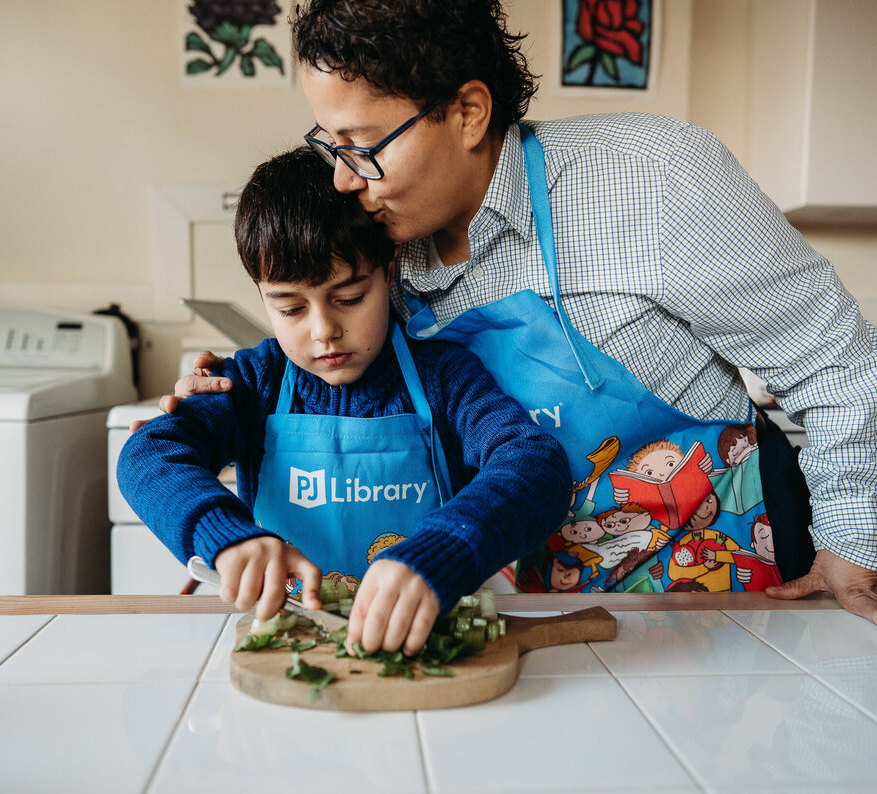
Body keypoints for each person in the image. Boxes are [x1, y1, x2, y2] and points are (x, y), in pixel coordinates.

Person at [159, 0, 877, 646]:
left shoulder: (651, 180)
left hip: (727, 569)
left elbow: (828, 357)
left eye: (363, 145)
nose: (343, 178)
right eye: (328, 144)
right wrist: (227, 384)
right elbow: (321, 330)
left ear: (469, 112)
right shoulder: (381, 234)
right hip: (532, 595)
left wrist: (856, 540)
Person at [118, 146, 570, 656]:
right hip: (292, 647)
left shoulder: (445, 376)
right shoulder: (252, 382)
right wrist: (227, 536)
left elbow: (536, 466)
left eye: (350, 298)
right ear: (261, 294)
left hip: (422, 644)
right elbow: (147, 455)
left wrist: (444, 552)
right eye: (289, 308)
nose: (324, 331)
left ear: (388, 267)